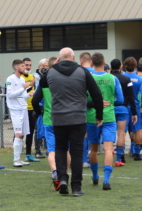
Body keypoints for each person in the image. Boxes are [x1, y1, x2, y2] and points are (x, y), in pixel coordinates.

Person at [46, 47, 103, 197]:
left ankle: (62, 179)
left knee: (60, 149)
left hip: (58, 117)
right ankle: (76, 187)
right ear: (74, 57)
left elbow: (42, 88)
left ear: (59, 58)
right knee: (77, 153)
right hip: (77, 117)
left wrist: (55, 65)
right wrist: (99, 114)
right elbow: (96, 94)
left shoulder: (51, 72)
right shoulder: (82, 71)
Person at [86, 53, 123, 190]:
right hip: (108, 117)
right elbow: (120, 99)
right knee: (108, 149)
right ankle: (106, 180)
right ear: (104, 62)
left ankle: (95, 176)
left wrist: (94, 103)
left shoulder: (87, 78)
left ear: (92, 63)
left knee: (93, 149)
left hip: (91, 117)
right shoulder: (113, 78)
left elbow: (82, 98)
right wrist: (110, 101)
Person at [32, 57, 63, 191]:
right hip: (63, 119)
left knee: (51, 150)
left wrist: (39, 112)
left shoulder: (44, 80)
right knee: (64, 149)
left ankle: (55, 172)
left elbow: (35, 99)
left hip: (49, 118)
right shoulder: (63, 79)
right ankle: (64, 176)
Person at [6, 60, 34, 167]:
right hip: (15, 110)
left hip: (23, 109)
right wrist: (23, 87)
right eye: (22, 66)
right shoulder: (10, 79)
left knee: (22, 135)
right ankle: (15, 160)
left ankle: (18, 158)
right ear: (17, 68)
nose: (25, 68)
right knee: (18, 134)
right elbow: (10, 95)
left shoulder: (22, 79)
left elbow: (22, 97)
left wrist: (30, 93)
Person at [110, 59, 137, 166]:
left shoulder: (109, 78)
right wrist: (134, 113)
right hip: (122, 108)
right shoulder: (126, 79)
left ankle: (109, 153)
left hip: (110, 109)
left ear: (111, 67)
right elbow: (131, 97)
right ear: (121, 66)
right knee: (121, 133)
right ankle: (119, 158)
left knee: (110, 133)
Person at [123, 57, 142, 161]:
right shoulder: (139, 79)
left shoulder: (122, 77)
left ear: (125, 65)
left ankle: (121, 153)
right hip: (135, 106)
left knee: (121, 130)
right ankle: (137, 153)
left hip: (123, 105)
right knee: (137, 129)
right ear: (135, 66)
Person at [22, 58, 40, 162]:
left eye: (29, 65)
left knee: (30, 131)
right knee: (19, 132)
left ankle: (28, 154)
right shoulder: (18, 77)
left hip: (31, 108)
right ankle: (17, 154)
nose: (28, 67)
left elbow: (34, 91)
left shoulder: (32, 77)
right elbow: (21, 92)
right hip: (21, 108)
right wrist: (30, 86)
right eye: (26, 65)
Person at [79, 52, 93, 168]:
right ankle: (91, 157)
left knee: (84, 134)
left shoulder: (79, 73)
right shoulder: (98, 73)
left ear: (81, 61)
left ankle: (84, 159)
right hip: (97, 108)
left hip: (81, 107)